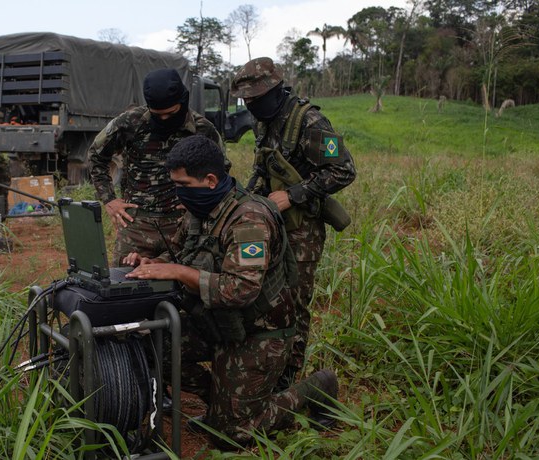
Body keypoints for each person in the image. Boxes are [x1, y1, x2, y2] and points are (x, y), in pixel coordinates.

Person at [123, 135, 338, 445]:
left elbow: (241, 290)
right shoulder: (199, 211)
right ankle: (225, 401)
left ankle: (316, 389)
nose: (178, 194)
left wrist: (179, 272)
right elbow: (181, 256)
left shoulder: (249, 219)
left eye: (183, 185)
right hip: (216, 322)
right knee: (151, 348)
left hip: (258, 332)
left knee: (232, 436)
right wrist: (152, 262)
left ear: (210, 180)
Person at [231, 57, 357, 387]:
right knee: (267, 296)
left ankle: (288, 380)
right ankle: (267, 365)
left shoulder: (311, 122)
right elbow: (263, 168)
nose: (250, 107)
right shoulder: (264, 122)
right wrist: (245, 201)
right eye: (246, 101)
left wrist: (293, 194)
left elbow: (344, 170)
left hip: (303, 230)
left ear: (275, 90)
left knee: (296, 303)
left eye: (255, 99)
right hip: (272, 224)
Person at [88, 68, 225, 266]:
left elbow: (221, 171)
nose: (164, 120)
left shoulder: (203, 129)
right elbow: (96, 156)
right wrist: (109, 200)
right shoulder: (130, 122)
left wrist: (200, 202)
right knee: (123, 285)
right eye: (157, 115)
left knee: (183, 285)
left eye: (171, 114)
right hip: (136, 226)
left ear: (182, 101)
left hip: (184, 225)